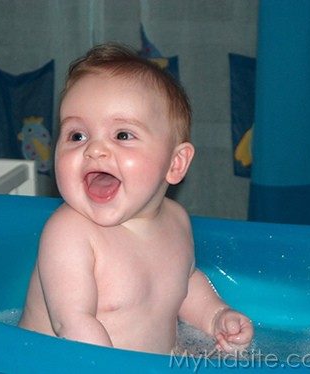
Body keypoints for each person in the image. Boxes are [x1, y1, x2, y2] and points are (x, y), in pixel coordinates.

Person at [19, 43, 253, 354]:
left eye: (122, 135)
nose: (95, 150)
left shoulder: (176, 220)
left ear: (175, 163)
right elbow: (73, 324)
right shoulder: (69, 233)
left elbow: (183, 283)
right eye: (77, 135)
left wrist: (215, 315)